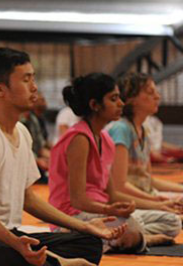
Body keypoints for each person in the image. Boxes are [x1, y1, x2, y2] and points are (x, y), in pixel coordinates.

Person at [0, 48, 126, 266]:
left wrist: (85, 226)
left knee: (88, 243)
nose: (34, 87)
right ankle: (56, 263)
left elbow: (28, 199)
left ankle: (47, 260)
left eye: (33, 78)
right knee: (20, 262)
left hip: (8, 235)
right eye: (26, 80)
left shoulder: (22, 133)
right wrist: (15, 243)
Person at [48, 73, 179, 252]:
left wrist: (128, 206)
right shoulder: (79, 138)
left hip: (100, 210)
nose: (121, 104)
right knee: (131, 228)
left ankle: (121, 238)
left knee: (171, 221)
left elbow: (112, 194)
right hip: (72, 215)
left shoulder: (105, 139)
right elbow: (77, 200)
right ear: (95, 105)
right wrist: (111, 210)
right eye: (113, 99)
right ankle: (130, 237)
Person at [109, 72, 183, 201]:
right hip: (127, 202)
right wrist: (156, 201)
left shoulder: (142, 129)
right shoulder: (121, 129)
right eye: (150, 92)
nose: (157, 97)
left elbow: (149, 180)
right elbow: (119, 186)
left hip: (145, 195)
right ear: (131, 99)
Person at [21, 92, 51, 182]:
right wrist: (37, 160)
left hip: (35, 162)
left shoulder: (34, 119)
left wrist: (54, 158)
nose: (45, 103)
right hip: (26, 165)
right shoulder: (18, 121)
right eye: (41, 100)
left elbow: (40, 146)